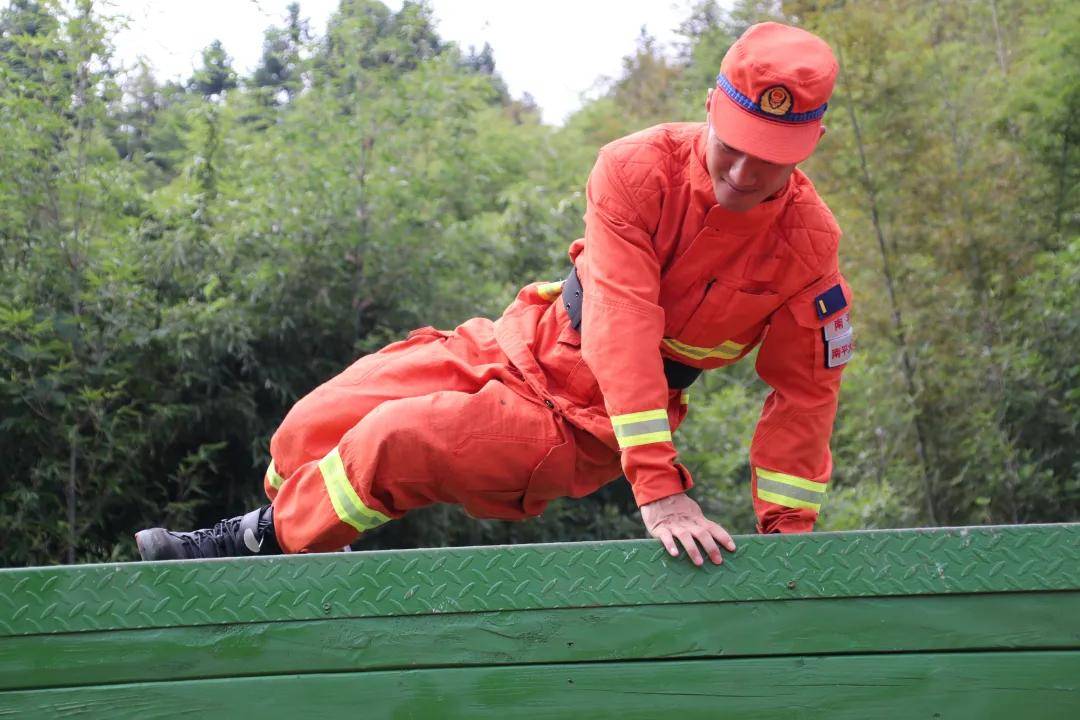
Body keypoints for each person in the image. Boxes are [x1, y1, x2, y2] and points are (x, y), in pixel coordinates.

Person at [136, 22, 853, 567]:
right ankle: (301, 553)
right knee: (308, 429)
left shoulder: (809, 248)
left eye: (771, 159)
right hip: (521, 340)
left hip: (585, 424)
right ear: (708, 106)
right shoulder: (637, 169)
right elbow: (618, 310)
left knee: (392, 443)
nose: (742, 173)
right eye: (734, 143)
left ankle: (250, 543)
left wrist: (786, 551)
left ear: (811, 143)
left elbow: (803, 397)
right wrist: (662, 489)